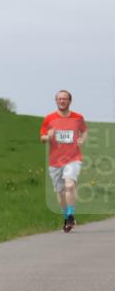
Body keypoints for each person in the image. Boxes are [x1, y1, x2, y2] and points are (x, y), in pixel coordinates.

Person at [40, 90, 88, 232]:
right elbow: (42, 137)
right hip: (55, 161)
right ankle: (66, 216)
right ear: (56, 101)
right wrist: (47, 137)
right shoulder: (49, 119)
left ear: (69, 101)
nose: (62, 101)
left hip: (73, 158)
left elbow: (84, 131)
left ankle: (71, 215)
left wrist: (82, 139)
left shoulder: (78, 117)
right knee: (60, 192)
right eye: (59, 99)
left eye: (65, 99)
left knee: (70, 185)